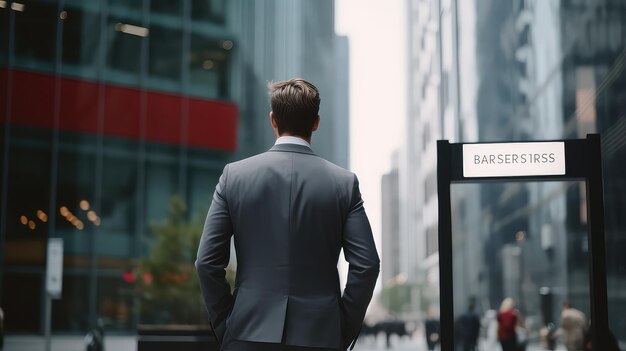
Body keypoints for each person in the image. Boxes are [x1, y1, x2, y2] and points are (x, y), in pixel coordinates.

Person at [195, 78, 380, 351]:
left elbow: (206, 263)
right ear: (315, 122)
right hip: (321, 336)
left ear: (273, 120)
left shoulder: (234, 177)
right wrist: (342, 327)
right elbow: (367, 266)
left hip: (247, 332)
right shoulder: (344, 183)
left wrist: (227, 325)